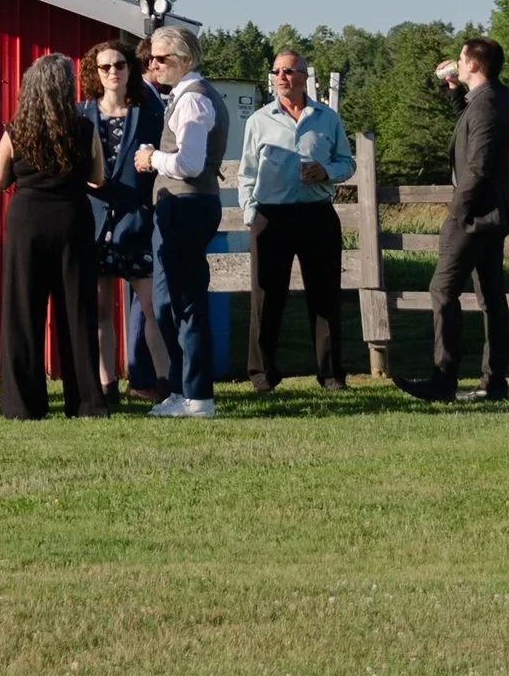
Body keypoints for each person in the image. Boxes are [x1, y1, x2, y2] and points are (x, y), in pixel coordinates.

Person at [0, 52, 107, 418]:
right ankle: (85, 402)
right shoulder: (84, 128)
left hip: (27, 221)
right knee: (77, 310)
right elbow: (98, 179)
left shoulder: (16, 130)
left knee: (23, 311)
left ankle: (22, 405)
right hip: (72, 218)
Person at [236, 47, 357, 392]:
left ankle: (332, 375)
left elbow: (348, 163)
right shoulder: (260, 120)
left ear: (304, 76)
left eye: (288, 71)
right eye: (276, 72)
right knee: (266, 298)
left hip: (317, 214)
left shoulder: (326, 118)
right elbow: (246, 173)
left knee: (325, 296)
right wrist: (250, 213)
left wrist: (327, 171)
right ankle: (262, 376)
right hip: (271, 217)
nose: (281, 78)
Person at [413, 35, 509, 403]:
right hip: (493, 213)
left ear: (473, 64)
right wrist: (454, 90)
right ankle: (494, 383)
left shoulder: (489, 105)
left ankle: (444, 379)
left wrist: (457, 214)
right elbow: (471, 123)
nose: (457, 63)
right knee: (491, 297)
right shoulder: (493, 98)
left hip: (475, 215)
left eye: (461, 60)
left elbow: (478, 166)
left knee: (442, 290)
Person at [134, 22, 226, 415]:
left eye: (160, 58)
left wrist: (151, 158)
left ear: (184, 60)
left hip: (187, 206)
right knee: (167, 302)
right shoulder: (185, 96)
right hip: (180, 206)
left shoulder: (193, 99)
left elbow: (189, 164)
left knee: (185, 302)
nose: (152, 64)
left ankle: (198, 395)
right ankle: (179, 390)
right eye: (151, 58)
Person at [85, 41, 163, 402]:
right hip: (95, 222)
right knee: (101, 309)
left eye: (119, 65)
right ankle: (105, 384)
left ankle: (165, 382)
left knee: (151, 307)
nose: (113, 72)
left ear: (131, 69)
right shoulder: (82, 115)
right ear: (95, 73)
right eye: (105, 67)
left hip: (137, 220)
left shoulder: (149, 113)